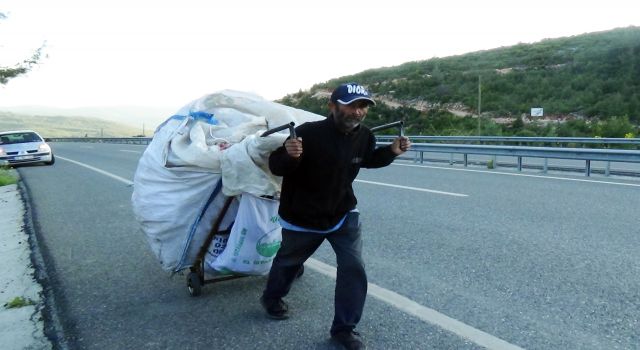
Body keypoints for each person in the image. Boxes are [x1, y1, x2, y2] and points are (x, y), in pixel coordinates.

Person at [260, 82, 411, 350]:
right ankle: (272, 298)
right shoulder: (307, 133)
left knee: (353, 267)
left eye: (362, 106)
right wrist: (291, 157)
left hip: (342, 215)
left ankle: (344, 329)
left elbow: (367, 160)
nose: (357, 112)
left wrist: (391, 153)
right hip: (302, 216)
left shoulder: (365, 137)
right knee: (288, 263)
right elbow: (276, 165)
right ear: (332, 106)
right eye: (351, 105)